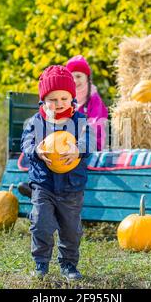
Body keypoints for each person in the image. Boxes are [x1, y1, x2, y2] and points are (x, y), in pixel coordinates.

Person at [20, 65, 93, 281]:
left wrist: (79, 149)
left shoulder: (79, 120)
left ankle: (69, 264)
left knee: (71, 229)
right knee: (41, 223)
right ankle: (40, 263)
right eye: (53, 99)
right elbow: (26, 143)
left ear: (71, 98)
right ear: (43, 100)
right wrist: (37, 150)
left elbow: (89, 140)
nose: (59, 103)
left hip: (71, 186)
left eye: (64, 98)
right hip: (44, 184)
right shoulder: (36, 121)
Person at [66, 55, 108, 151]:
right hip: (69, 141)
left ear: (87, 78)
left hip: (91, 142)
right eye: (72, 77)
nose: (75, 80)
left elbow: (96, 124)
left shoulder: (93, 98)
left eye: (78, 76)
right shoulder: (66, 97)